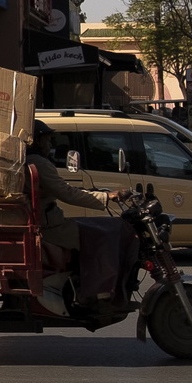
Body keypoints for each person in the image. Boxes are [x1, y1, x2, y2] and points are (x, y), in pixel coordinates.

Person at [26, 123, 130, 307]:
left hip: (45, 220)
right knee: (100, 236)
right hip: (49, 225)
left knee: (93, 227)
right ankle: (96, 293)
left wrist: (98, 192)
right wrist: (107, 196)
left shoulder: (29, 160)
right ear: (37, 140)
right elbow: (66, 193)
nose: (50, 145)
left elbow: (64, 189)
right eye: (47, 140)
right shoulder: (39, 162)